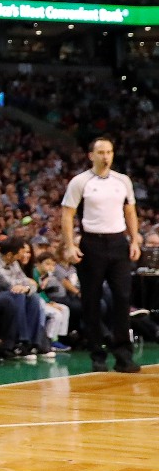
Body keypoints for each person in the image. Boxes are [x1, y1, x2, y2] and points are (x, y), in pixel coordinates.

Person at [61, 137, 141, 373]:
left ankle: (123, 355)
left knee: (122, 299)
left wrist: (134, 239)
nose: (105, 156)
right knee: (91, 301)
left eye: (109, 152)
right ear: (91, 155)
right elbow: (67, 215)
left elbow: (130, 211)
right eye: (101, 152)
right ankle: (97, 355)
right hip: (91, 242)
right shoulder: (80, 182)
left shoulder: (122, 181)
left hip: (118, 242)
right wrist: (69, 245)